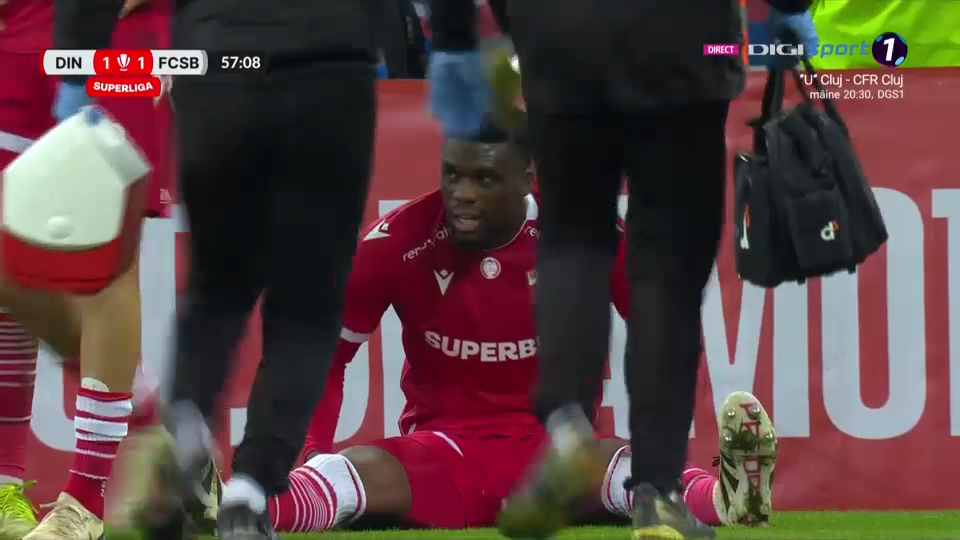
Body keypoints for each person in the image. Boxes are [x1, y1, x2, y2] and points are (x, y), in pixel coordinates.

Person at [234, 126, 778, 533]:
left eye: (485, 178)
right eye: (453, 174)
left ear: (527, 178)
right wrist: (305, 454)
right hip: (444, 454)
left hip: (557, 459)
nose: (463, 193)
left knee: (629, 469)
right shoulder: (397, 243)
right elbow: (321, 356)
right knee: (350, 471)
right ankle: (241, 506)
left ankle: (727, 499)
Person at [425, 1, 815, 538]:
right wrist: (790, 10)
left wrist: (463, 37)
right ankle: (657, 492)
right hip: (683, 43)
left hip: (559, 42)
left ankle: (568, 430)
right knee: (667, 271)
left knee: (572, 240)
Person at [112, 0, 383, 538]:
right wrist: (455, 43)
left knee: (217, 287)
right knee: (306, 307)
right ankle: (250, 489)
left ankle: (188, 422)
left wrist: (75, 66)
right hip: (328, 66)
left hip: (219, 60)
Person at [0, 2, 221, 540]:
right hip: (18, 34)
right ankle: (150, 425)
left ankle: (83, 500)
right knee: (11, 261)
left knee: (104, 262)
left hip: (116, 34)